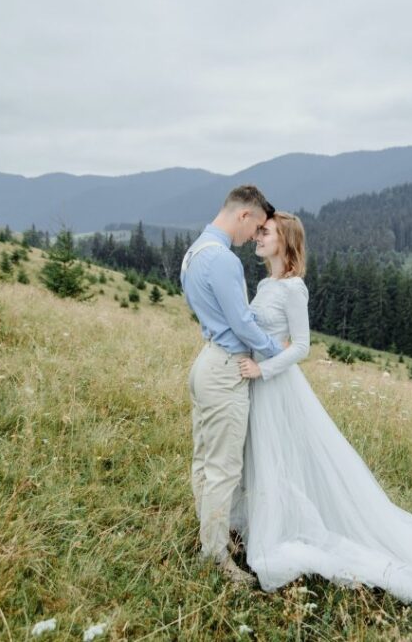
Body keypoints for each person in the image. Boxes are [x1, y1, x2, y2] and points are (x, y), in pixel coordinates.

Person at [232, 212, 412, 609]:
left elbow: (302, 346)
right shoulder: (266, 282)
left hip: (276, 385)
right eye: (259, 232)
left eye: (266, 232)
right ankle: (268, 517)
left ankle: (288, 528)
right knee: (266, 454)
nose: (257, 237)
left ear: (286, 241)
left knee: (286, 454)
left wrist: (262, 369)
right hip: (261, 385)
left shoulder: (293, 288)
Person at [180, 184, 283, 585]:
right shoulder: (222, 259)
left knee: (204, 456)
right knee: (224, 466)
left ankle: (211, 534)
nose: (253, 237)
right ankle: (217, 555)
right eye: (255, 226)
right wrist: (276, 352)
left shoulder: (195, 252)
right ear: (244, 215)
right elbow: (241, 323)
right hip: (225, 368)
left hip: (206, 359)